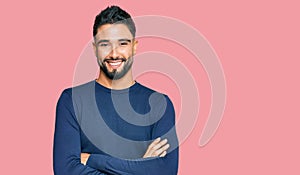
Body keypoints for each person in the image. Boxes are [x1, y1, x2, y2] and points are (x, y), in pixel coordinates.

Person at [53, 5, 179, 175]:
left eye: (122, 43)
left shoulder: (159, 104)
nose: (114, 53)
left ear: (134, 46)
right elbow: (66, 170)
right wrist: (140, 166)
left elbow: (165, 171)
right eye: (105, 44)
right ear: (95, 48)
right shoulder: (72, 100)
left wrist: (92, 160)